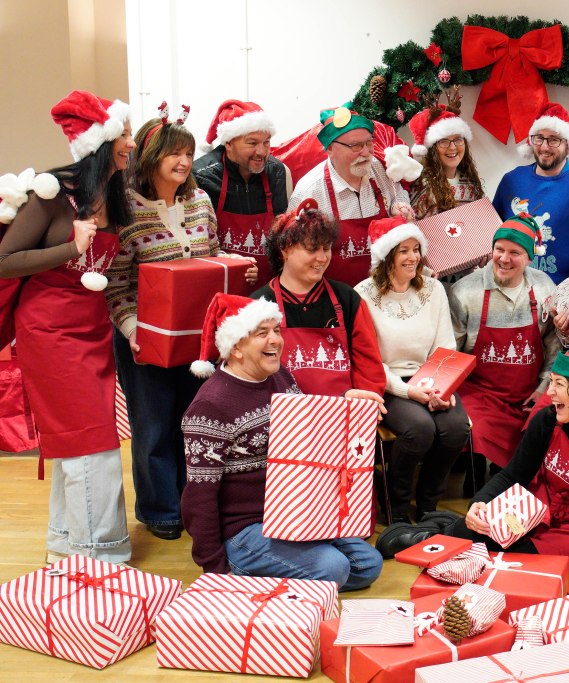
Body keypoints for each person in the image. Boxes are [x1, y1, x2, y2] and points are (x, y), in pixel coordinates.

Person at [106, 111, 258, 541]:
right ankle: (159, 509)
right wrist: (134, 330)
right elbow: (115, 284)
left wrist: (236, 269)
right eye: (174, 152)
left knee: (193, 420)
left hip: (196, 338)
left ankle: (194, 503)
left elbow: (211, 256)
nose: (184, 161)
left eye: (189, 153)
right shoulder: (126, 209)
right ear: (151, 156)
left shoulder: (199, 202)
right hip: (143, 338)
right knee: (152, 426)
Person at [376, 343, 569, 579]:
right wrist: (478, 504)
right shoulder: (547, 419)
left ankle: (440, 531)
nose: (550, 392)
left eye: (559, 384)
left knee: (511, 559)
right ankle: (435, 537)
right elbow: (514, 473)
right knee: (484, 530)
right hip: (533, 508)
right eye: (550, 381)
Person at [0, 90, 134, 564]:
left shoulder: (114, 196)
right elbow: (4, 260)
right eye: (124, 135)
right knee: (91, 440)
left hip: (92, 328)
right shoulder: (52, 193)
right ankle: (100, 556)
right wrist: (70, 249)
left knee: (79, 439)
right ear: (101, 143)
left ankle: (65, 546)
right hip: (48, 331)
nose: (131, 144)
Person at [181, 293, 383, 589]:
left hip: (294, 512)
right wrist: (215, 568)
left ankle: (285, 569)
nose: (275, 340)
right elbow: (199, 496)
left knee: (368, 565)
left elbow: (308, 430)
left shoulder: (278, 376)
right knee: (334, 568)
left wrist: (346, 403)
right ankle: (240, 570)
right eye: (262, 333)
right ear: (236, 347)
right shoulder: (211, 406)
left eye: (276, 330)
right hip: (244, 527)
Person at [355, 216, 470, 523]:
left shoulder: (433, 289)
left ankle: (429, 506)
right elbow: (369, 359)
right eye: (403, 250)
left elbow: (445, 346)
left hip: (432, 377)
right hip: (387, 383)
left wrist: (441, 387)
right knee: (420, 429)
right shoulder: (363, 294)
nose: (413, 257)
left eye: (416, 249)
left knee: (455, 428)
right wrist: (409, 391)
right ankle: (396, 506)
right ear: (386, 255)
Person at [449, 213, 559, 471]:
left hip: (529, 393)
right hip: (479, 394)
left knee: (546, 428)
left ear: (530, 258)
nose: (504, 259)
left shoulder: (544, 287)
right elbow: (450, 352)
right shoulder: (466, 291)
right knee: (477, 428)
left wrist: (543, 387)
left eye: (515, 252)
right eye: (499, 249)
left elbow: (554, 346)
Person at [248, 198, 386, 402]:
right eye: (312, 249)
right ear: (284, 248)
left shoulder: (348, 299)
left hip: (342, 414)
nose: (322, 258)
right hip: (279, 419)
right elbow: (246, 374)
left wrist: (363, 406)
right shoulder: (258, 305)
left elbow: (369, 369)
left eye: (327, 248)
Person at [289, 104, 415, 287]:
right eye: (355, 146)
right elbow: (295, 255)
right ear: (330, 149)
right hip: (335, 297)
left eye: (369, 142)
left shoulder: (380, 170)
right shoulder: (309, 191)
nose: (366, 152)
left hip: (385, 289)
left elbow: (399, 195)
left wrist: (400, 206)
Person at [491, 103, 569, 283]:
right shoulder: (511, 180)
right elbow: (492, 230)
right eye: (539, 138)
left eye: (554, 140)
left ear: (567, 145)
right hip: (510, 289)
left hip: (558, 294)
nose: (544, 147)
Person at [193, 99, 291, 289]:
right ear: (228, 143)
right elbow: (200, 244)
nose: (261, 152)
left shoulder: (275, 171)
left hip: (268, 288)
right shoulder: (203, 175)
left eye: (266, 142)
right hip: (220, 285)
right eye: (252, 143)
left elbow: (281, 231)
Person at [407, 105, 484, 219]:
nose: (452, 147)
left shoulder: (469, 180)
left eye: (458, 139)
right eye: (443, 141)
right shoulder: (424, 187)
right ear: (432, 148)